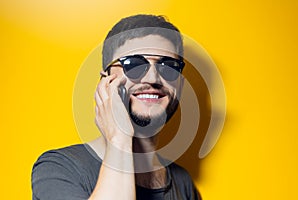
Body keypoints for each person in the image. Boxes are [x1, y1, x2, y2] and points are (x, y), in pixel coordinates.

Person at [32, 14, 201, 200]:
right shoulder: (60, 168)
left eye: (168, 67)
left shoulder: (182, 182)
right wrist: (119, 139)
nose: (153, 79)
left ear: (180, 86)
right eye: (133, 64)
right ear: (105, 81)